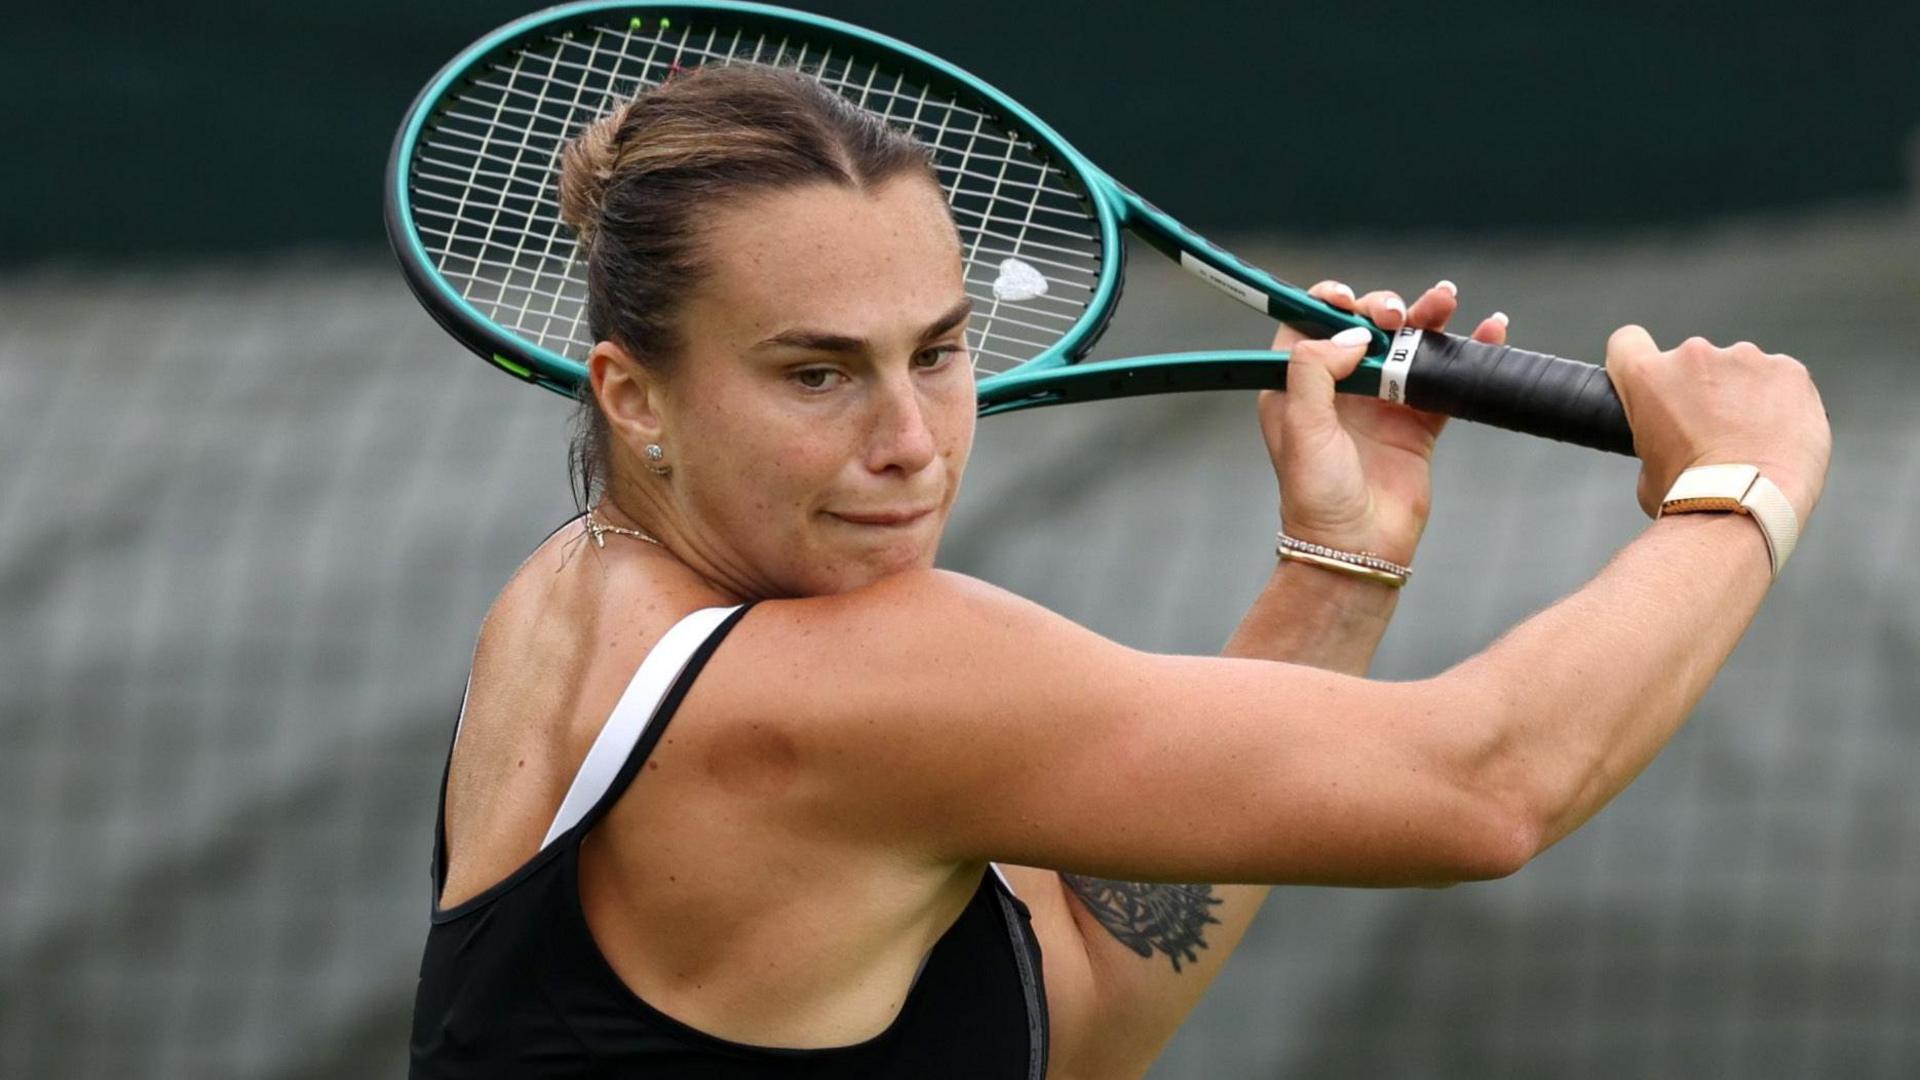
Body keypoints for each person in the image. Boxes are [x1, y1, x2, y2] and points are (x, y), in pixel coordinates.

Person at [408, 66, 1831, 1078]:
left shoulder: (571, 598)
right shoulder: (832, 685)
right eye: (817, 372)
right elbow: (1485, 786)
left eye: (941, 351)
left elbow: (1079, 1017)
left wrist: (1342, 567)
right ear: (631, 391)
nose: (911, 441)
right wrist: (1743, 487)